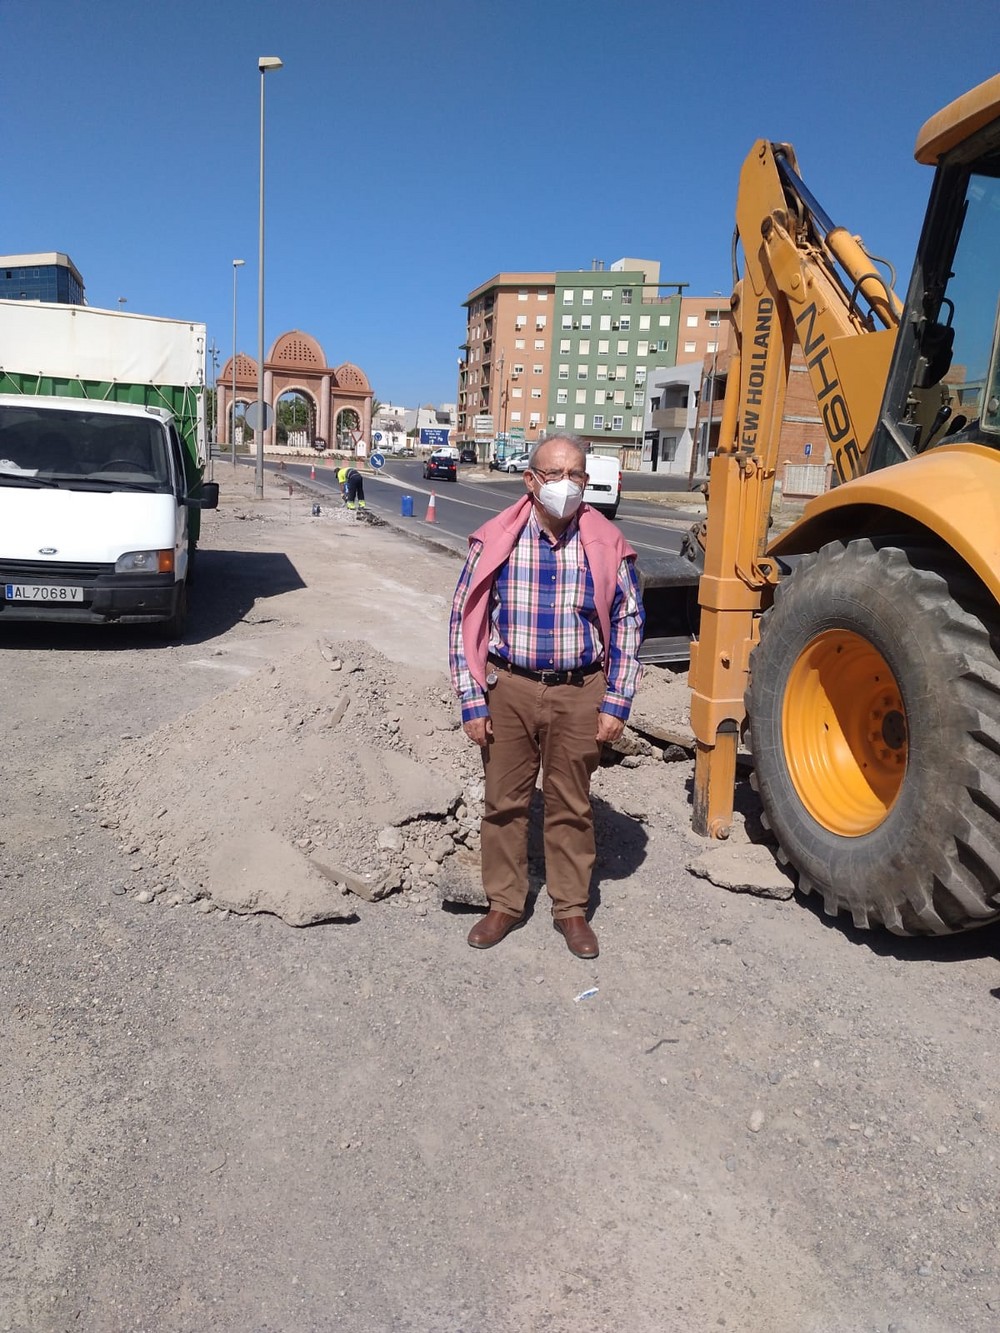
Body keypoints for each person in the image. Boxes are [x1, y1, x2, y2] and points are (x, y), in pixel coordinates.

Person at [448, 434, 644, 958]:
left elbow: (627, 625)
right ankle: (505, 904)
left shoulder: (605, 542)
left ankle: (571, 909)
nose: (567, 485)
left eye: (576, 475)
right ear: (530, 480)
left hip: (579, 692)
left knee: (571, 805)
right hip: (507, 687)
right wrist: (472, 701)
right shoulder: (497, 540)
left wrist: (616, 703)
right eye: (555, 475)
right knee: (504, 804)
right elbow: (462, 620)